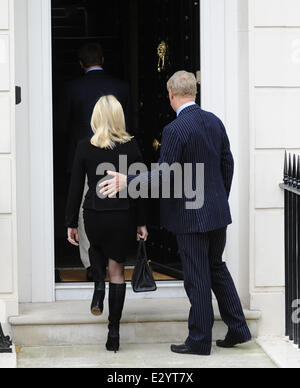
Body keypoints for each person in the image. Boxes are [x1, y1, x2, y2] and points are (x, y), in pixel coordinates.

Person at [100, 71, 252, 356]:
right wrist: (217, 198)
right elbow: (227, 165)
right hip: (217, 211)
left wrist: (127, 181)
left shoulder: (175, 130)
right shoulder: (215, 122)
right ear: (193, 92)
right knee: (216, 267)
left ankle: (199, 340)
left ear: (171, 94)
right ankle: (238, 328)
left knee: (197, 275)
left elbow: (163, 177)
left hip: (190, 215)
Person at [65, 95, 147, 353]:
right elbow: (141, 186)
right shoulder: (131, 146)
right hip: (122, 215)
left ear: (96, 118)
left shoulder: (84, 146)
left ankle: (98, 284)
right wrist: (142, 222)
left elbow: (75, 187)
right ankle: (113, 330)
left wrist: (70, 221)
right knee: (118, 272)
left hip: (93, 213)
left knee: (95, 248)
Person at [60, 42, 131, 271]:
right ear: (102, 60)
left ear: (81, 64)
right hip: (117, 159)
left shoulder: (71, 88)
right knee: (119, 209)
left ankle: (92, 265)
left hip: (84, 159)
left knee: (84, 210)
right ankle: (115, 261)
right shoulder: (121, 87)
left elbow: (62, 126)